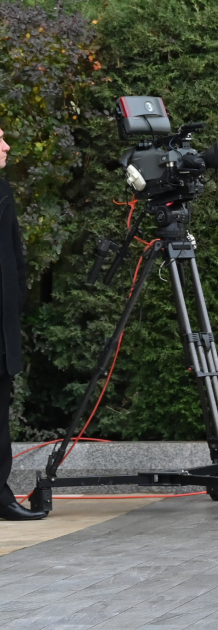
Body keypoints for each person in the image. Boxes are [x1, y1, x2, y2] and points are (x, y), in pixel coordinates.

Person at [0, 127, 46, 521]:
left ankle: (0, 495)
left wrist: (17, 301)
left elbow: (15, 257)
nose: (7, 145)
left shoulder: (3, 190)